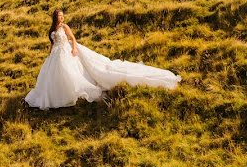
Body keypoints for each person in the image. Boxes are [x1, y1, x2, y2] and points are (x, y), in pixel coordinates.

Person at [24, 9, 181, 110]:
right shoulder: (52, 30)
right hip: (56, 54)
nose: (61, 18)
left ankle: (74, 92)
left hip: (66, 51)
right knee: (54, 75)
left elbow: (72, 38)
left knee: (71, 72)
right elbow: (52, 43)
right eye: (59, 16)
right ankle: (57, 94)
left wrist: (74, 48)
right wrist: (49, 53)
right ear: (54, 18)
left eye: (62, 16)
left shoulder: (65, 27)